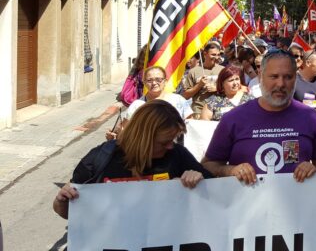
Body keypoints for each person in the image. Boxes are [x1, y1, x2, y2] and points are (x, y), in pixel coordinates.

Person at [53, 100, 212, 219]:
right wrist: (62, 201)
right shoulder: (100, 157)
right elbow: (71, 214)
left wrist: (198, 181)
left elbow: (216, 197)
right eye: (164, 142)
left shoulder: (178, 155)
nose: (171, 146)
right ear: (142, 138)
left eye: (173, 140)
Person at [202, 50, 316, 183]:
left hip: (297, 201)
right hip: (246, 202)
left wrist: (314, 169)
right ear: (260, 76)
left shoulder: (311, 118)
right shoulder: (233, 119)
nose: (281, 84)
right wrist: (231, 170)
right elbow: (208, 165)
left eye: (288, 77)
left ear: (295, 78)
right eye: (274, 76)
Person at [112, 66, 192, 139]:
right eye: (149, 80)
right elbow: (125, 130)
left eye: (158, 79)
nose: (154, 83)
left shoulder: (178, 100)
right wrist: (116, 135)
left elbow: (190, 125)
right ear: (144, 82)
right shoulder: (137, 105)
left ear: (165, 81)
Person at [182, 42, 225, 118]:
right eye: (213, 55)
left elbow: (230, 90)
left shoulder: (223, 70)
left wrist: (217, 89)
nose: (216, 57)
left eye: (218, 55)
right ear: (205, 54)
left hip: (218, 110)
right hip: (198, 111)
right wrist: (199, 85)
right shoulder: (193, 71)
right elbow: (186, 96)